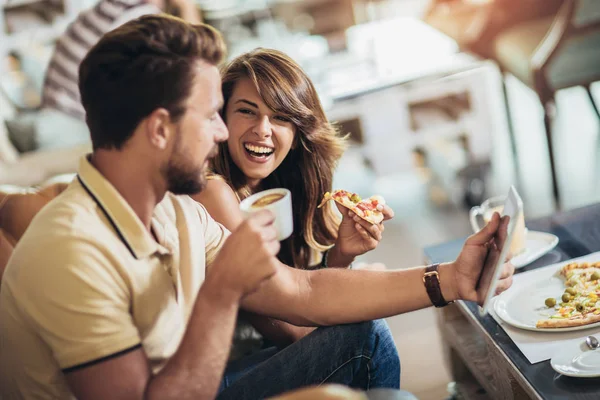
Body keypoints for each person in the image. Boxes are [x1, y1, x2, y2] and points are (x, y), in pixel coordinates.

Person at [0, 15, 514, 400]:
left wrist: (450, 279)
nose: (223, 132)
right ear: (159, 129)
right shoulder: (71, 254)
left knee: (373, 359)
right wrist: (223, 293)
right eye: (210, 116)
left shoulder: (176, 213)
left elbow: (302, 289)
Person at [192, 48, 392, 349]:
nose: (262, 130)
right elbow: (289, 331)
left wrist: (342, 255)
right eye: (246, 111)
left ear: (299, 132)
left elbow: (304, 301)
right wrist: (372, 291)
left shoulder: (280, 186)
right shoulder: (214, 191)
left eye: (281, 117)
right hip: (220, 372)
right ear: (222, 119)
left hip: (266, 351)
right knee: (369, 334)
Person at [36, 0, 202, 150]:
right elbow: (195, 67)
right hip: (70, 130)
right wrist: (187, 7)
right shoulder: (140, 17)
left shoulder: (117, 5)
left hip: (53, 118)